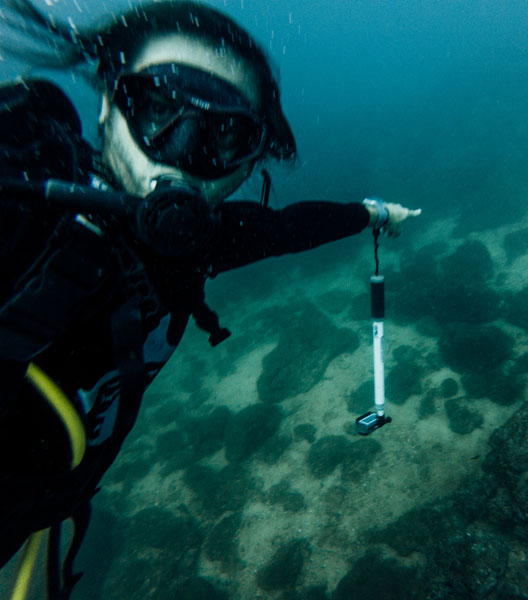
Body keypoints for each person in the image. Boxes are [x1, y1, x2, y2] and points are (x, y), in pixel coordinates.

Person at [0, 1, 419, 597]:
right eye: (159, 110)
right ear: (107, 104)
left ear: (249, 160)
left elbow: (287, 228)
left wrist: (373, 213)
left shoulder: (194, 247)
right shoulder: (23, 218)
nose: (185, 156)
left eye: (225, 136)